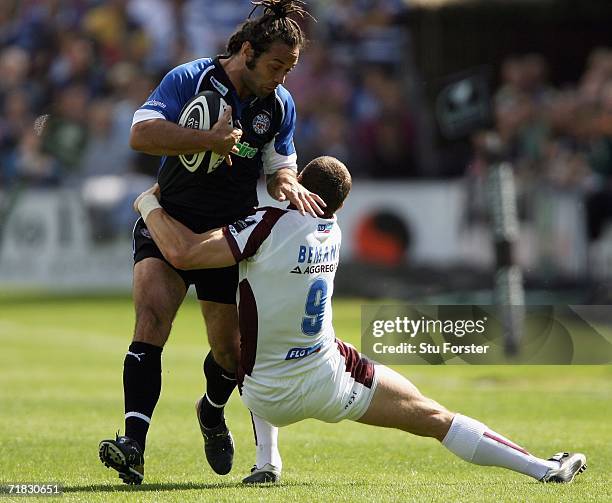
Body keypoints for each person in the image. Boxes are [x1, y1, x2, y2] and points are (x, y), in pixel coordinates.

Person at [132, 155, 587, 485]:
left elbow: (183, 252)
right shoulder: (333, 231)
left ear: (298, 187)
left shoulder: (262, 226)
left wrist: (149, 204)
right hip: (330, 384)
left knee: (254, 337)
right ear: (339, 205)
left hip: (263, 395)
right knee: (434, 416)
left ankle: (267, 461)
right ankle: (543, 469)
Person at [98, 0, 325, 485]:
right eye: (275, 66)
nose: (282, 77)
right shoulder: (190, 79)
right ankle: (132, 446)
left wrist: (288, 184)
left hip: (225, 236)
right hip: (170, 220)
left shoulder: (279, 105)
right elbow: (141, 134)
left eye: (290, 68)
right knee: (151, 319)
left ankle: (211, 410)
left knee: (230, 353)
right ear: (247, 51)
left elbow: (279, 163)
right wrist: (207, 141)